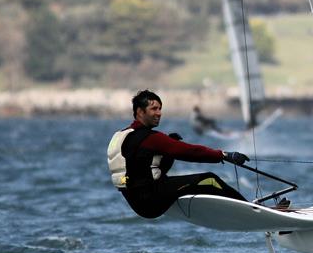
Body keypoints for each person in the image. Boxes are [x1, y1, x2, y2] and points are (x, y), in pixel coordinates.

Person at [107, 90, 250, 219]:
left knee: (199, 184)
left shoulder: (121, 136)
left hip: (136, 202)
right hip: (152, 199)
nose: (159, 113)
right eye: (154, 109)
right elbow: (190, 152)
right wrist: (223, 155)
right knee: (210, 179)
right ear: (140, 112)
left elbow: (142, 168)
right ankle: (251, 210)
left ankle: (230, 210)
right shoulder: (151, 138)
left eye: (160, 108)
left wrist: (168, 149)